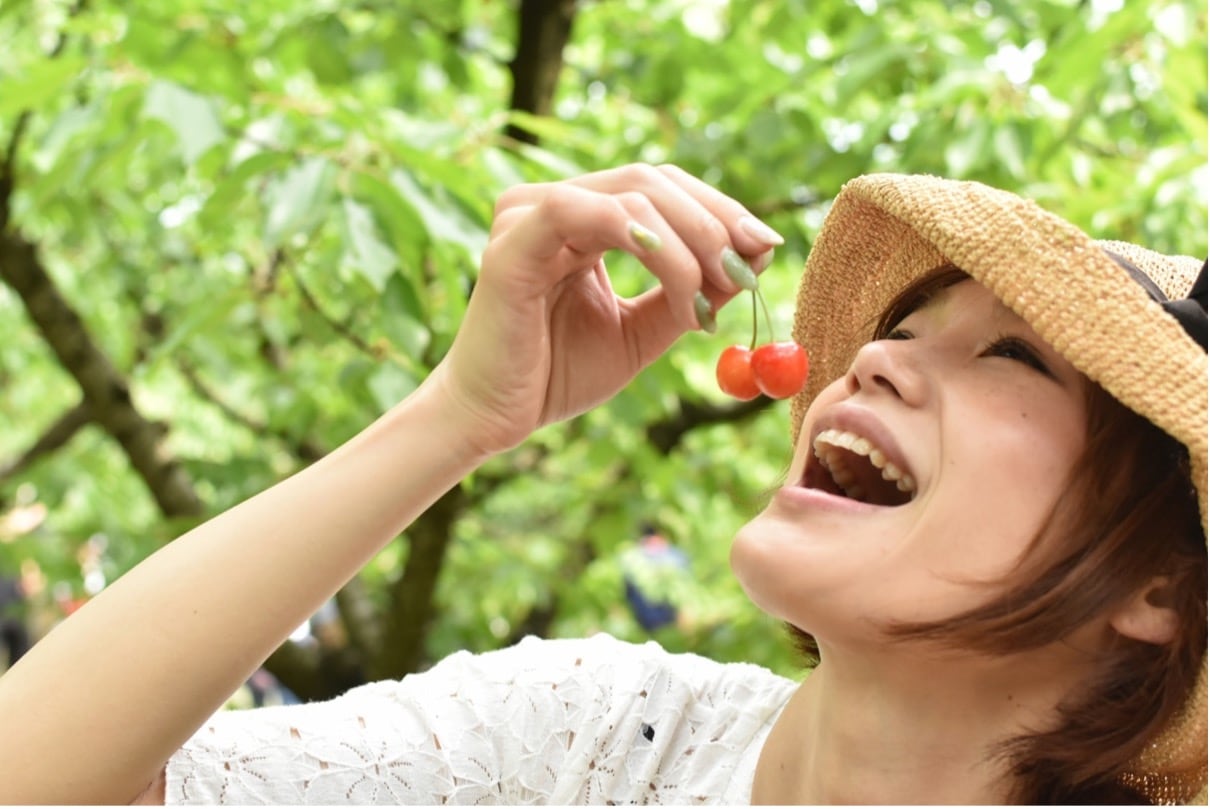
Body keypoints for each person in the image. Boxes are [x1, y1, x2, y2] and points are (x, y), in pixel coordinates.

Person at [0, 165, 1203, 805]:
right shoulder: (586, 733)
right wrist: (459, 416)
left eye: (1006, 353)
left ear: (1156, 579)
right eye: (903, 323)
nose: (871, 355)